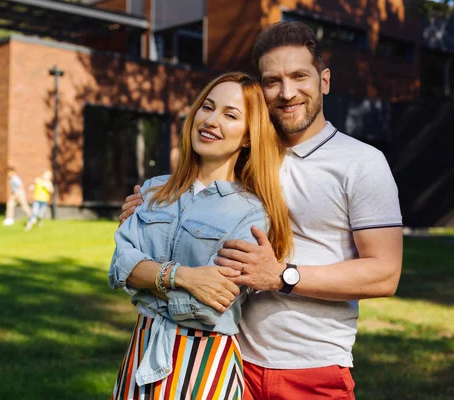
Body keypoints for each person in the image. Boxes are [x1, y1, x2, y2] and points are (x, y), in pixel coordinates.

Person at [119, 22, 403, 400]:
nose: (287, 93)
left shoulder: (362, 163)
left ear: (325, 81)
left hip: (310, 365)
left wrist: (282, 276)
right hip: (229, 359)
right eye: (272, 81)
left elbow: (384, 274)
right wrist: (148, 211)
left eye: (300, 76)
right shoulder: (240, 155)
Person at [108, 72, 293, 400]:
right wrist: (185, 277)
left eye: (230, 115)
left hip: (204, 367)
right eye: (207, 107)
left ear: (248, 137)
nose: (211, 120)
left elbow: (210, 306)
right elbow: (119, 266)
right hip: (140, 356)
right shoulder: (152, 191)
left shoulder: (251, 212)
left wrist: (146, 282)